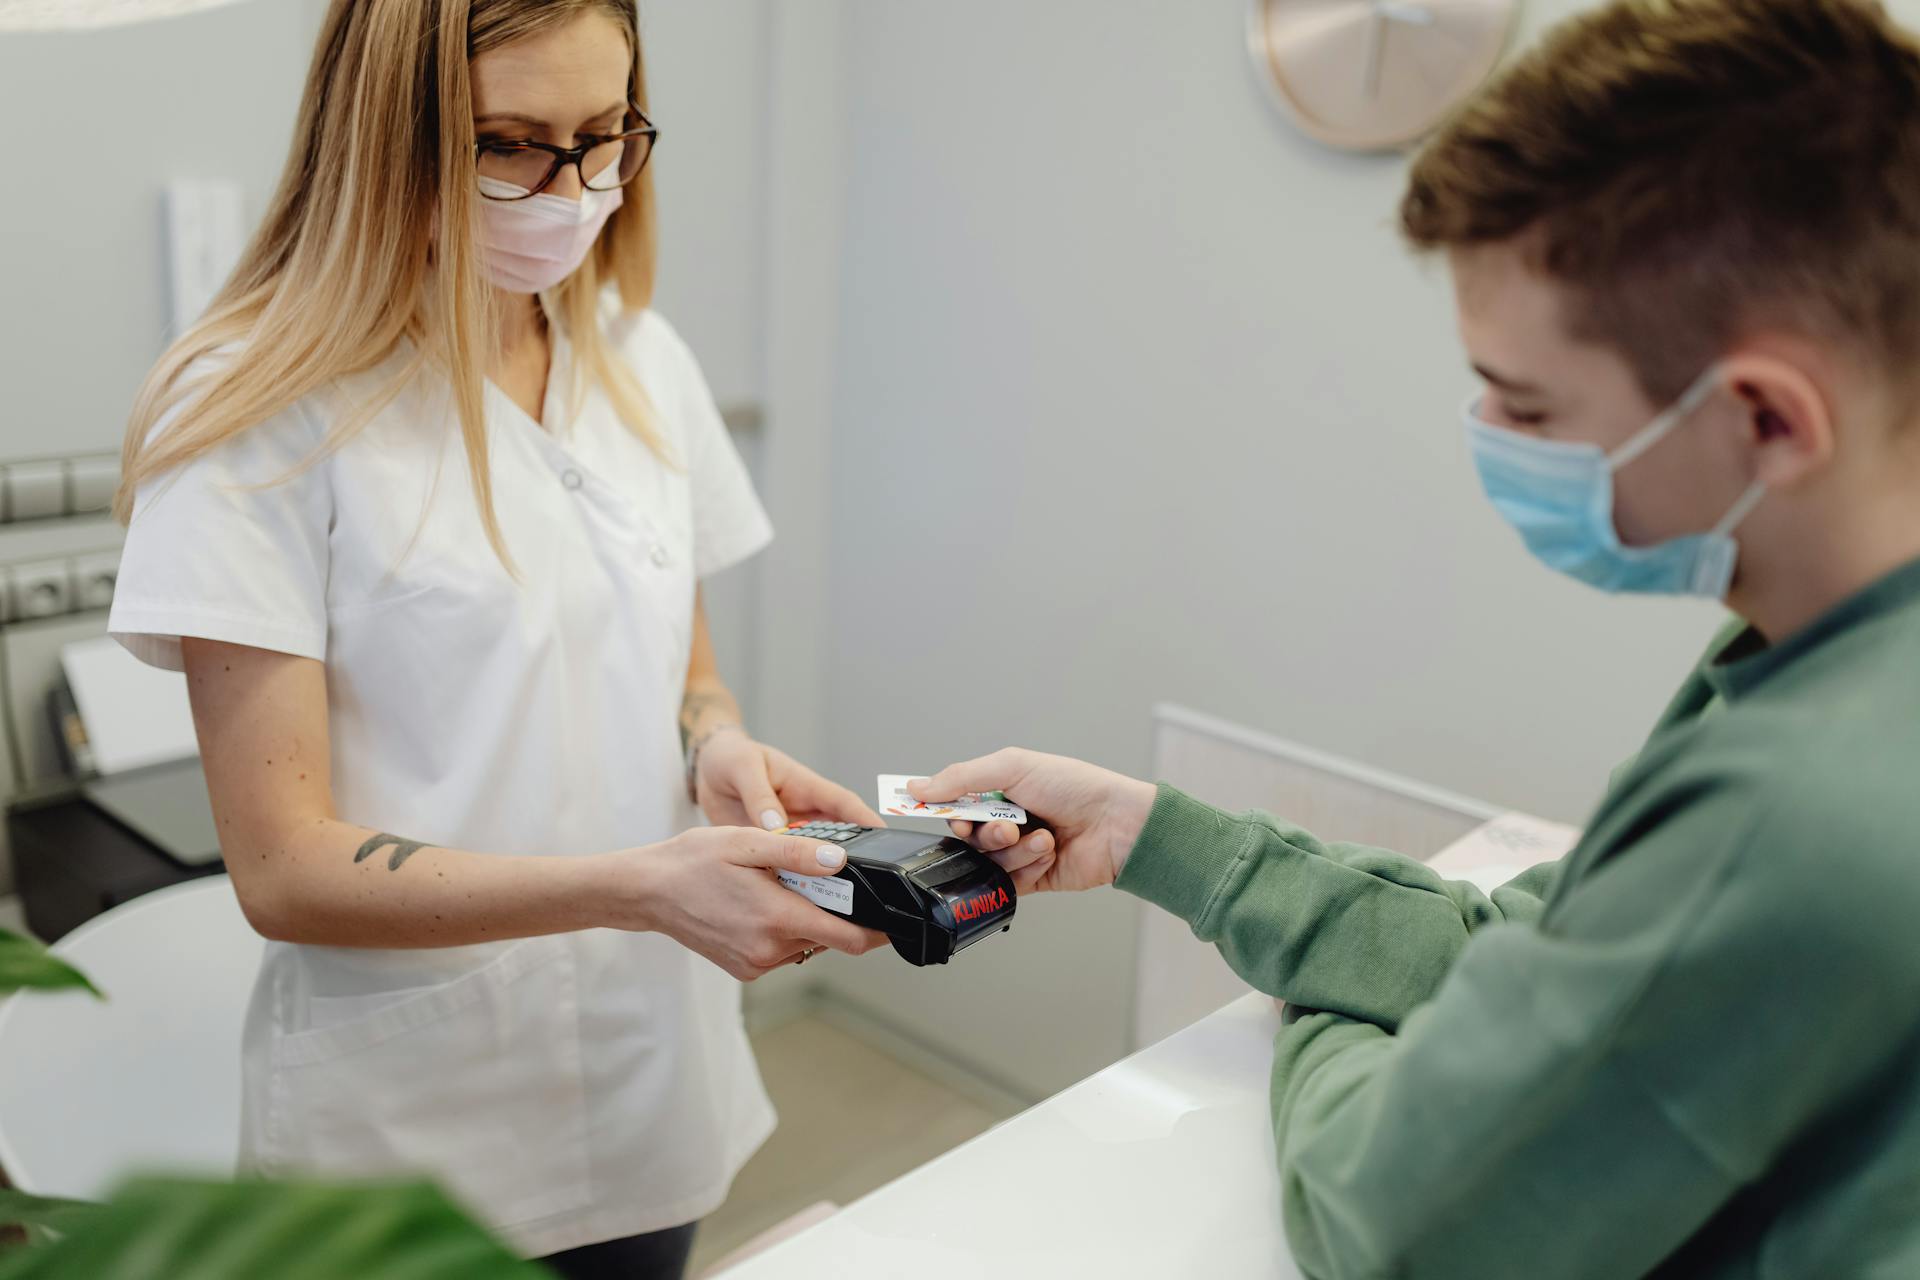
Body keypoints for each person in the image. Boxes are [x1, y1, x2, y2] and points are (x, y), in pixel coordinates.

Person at [913, 1, 1920, 1275]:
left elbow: (1393, 1221)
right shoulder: (1814, 647)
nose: (1488, 430)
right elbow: (1532, 952)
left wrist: (1324, 1000)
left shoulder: (1795, 811)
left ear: (1769, 419)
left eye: (1528, 399)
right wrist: (1155, 836)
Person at [106, 2, 884, 1275]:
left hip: (646, 1082)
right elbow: (283, 867)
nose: (571, 189)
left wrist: (718, 745)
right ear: (385, 138)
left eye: (604, 134)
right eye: (510, 141)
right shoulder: (256, 406)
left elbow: (687, 667)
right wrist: (636, 885)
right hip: (405, 1134)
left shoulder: (640, 356)